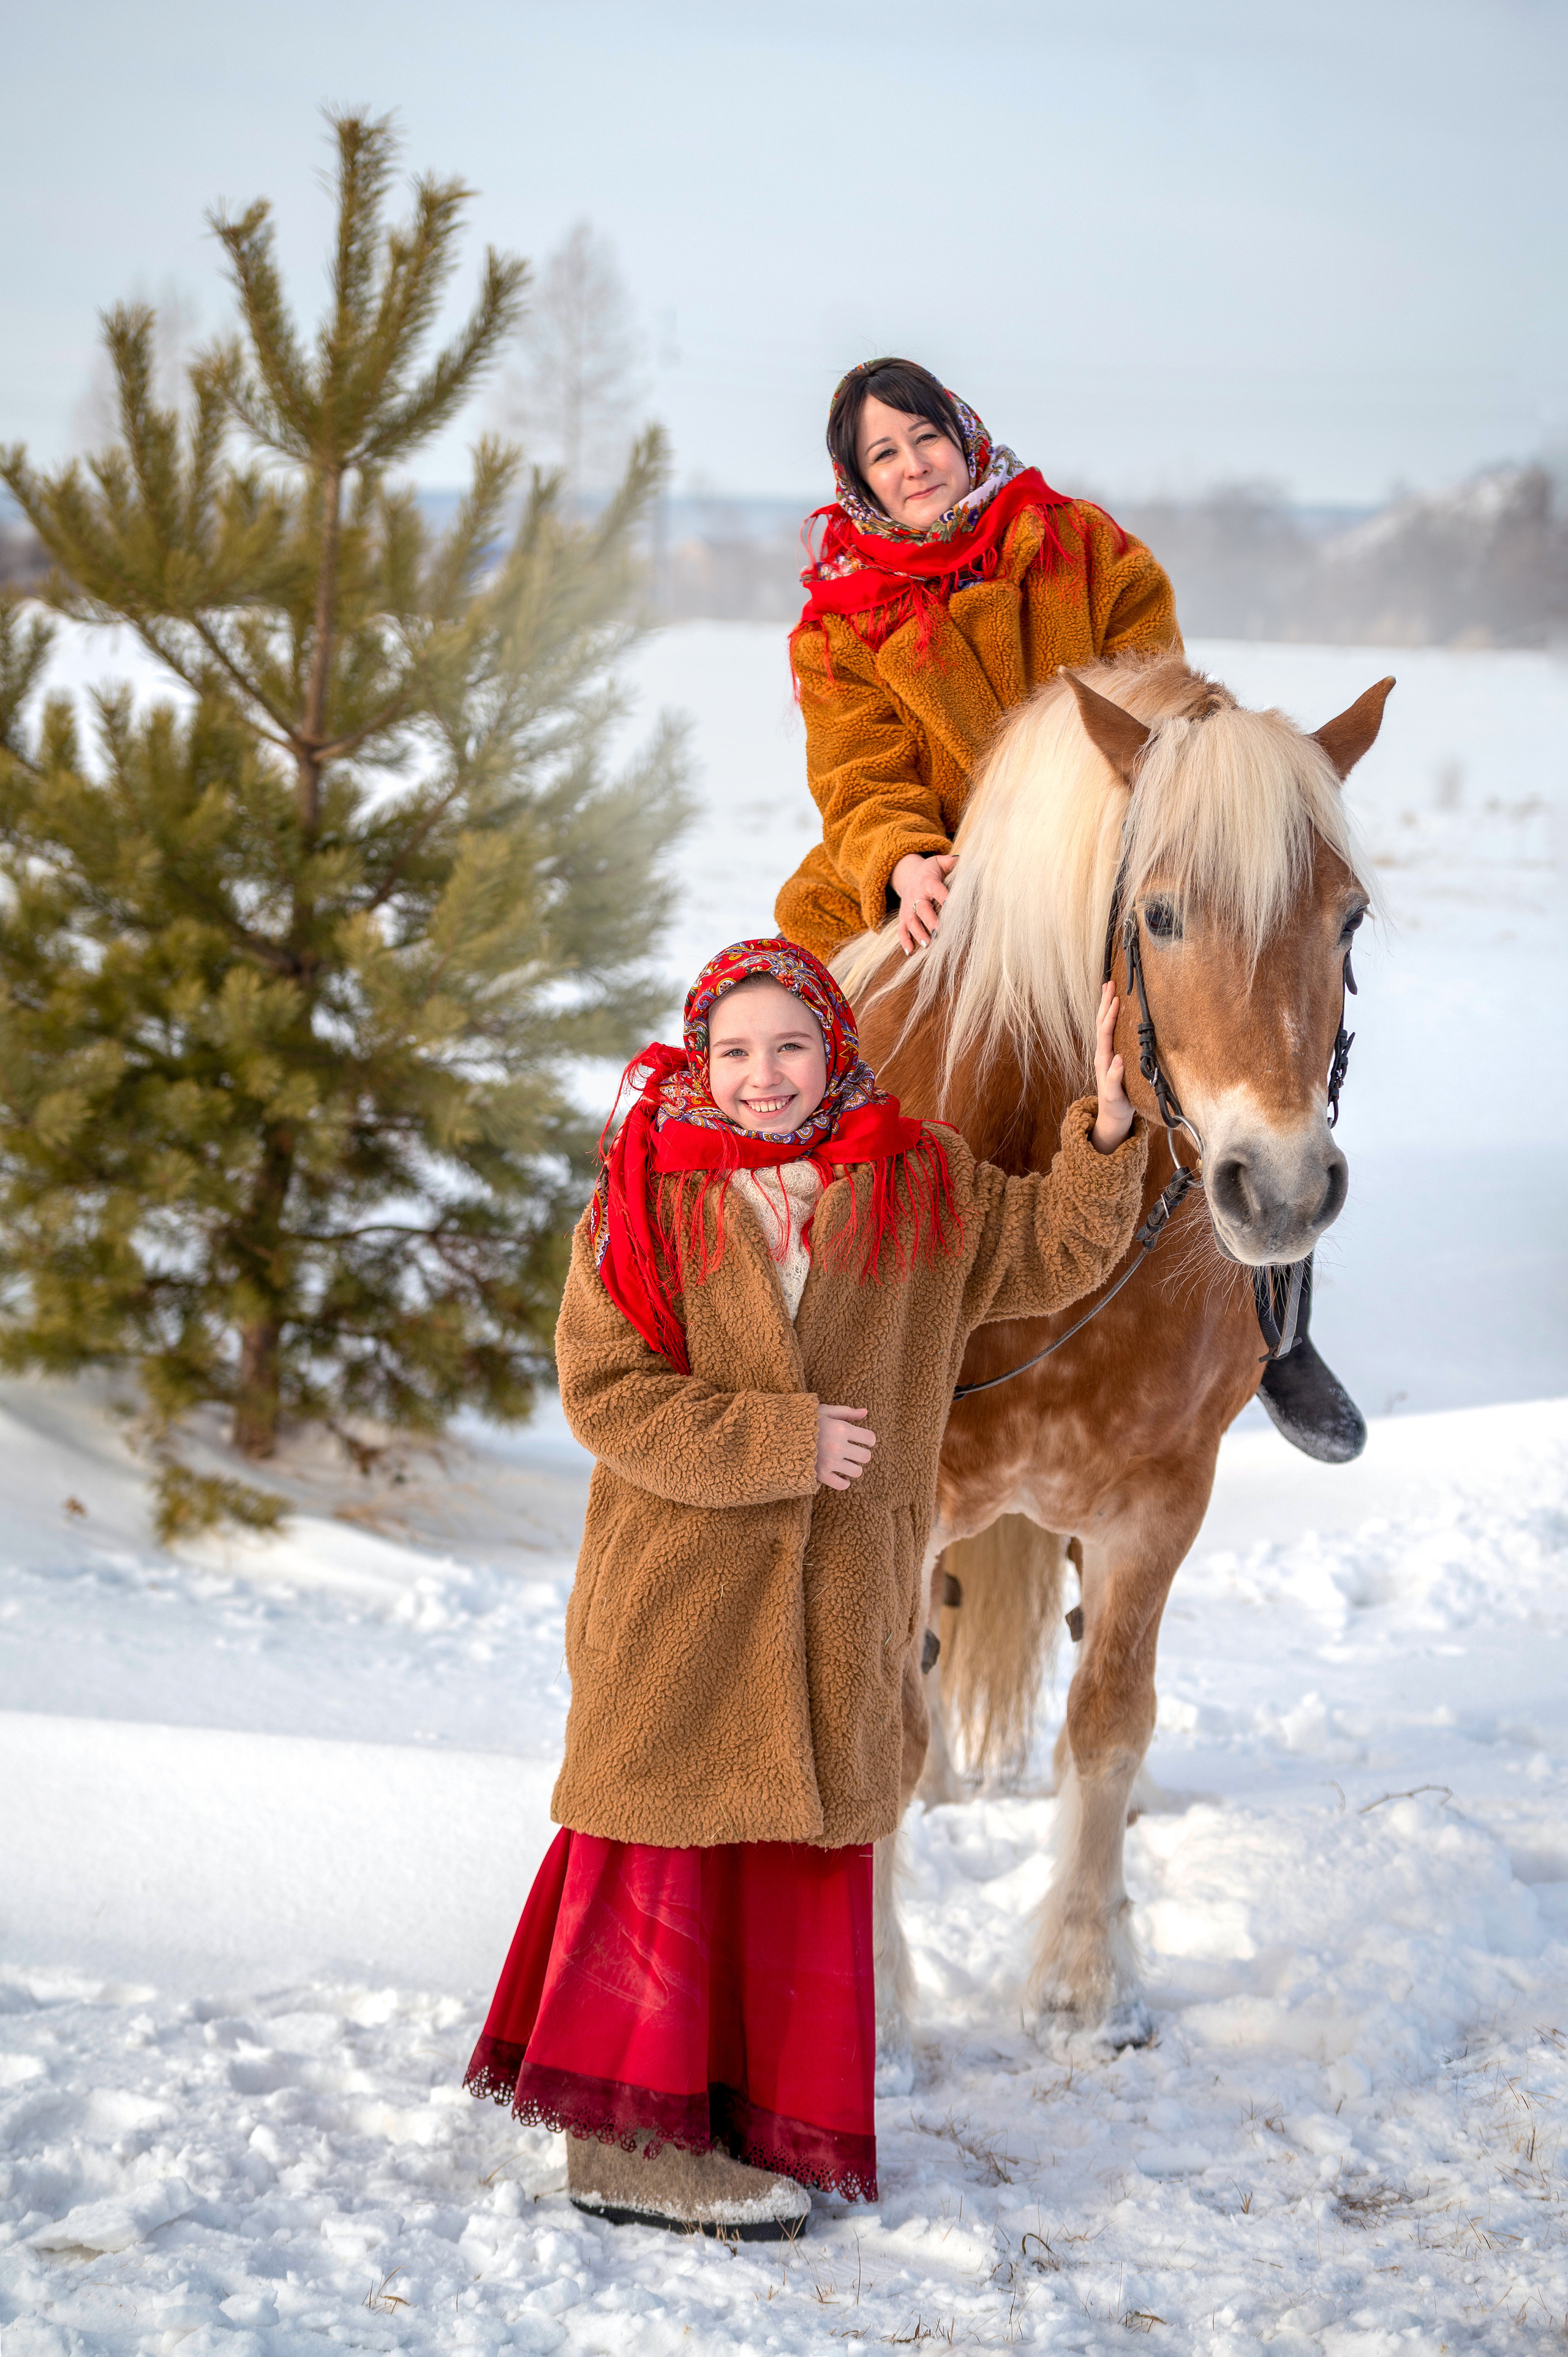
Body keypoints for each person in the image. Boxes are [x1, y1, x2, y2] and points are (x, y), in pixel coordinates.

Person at [465, 936, 1149, 2239]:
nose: (762, 1074)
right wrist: (783, 1443)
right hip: (677, 1598)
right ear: (700, 1059)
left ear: (835, 1047)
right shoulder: (642, 1199)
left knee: (794, 1852)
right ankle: (627, 2146)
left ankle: (751, 2125)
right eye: (734, 1050)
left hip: (839, 1602)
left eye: (789, 1045)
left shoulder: (922, 1181)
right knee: (666, 1839)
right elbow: (606, 1395)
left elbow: (1056, 1250)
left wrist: (1106, 1135)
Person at [776, 357, 1365, 1466]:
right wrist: (901, 858)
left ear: (963, 435)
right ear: (857, 479)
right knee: (776, 1047)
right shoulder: (837, 623)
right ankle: (784, 1322)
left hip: (1100, 856)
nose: (913, 467)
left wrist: (1128, 814)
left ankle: (1278, 1328)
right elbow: (854, 767)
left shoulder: (1082, 545)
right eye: (883, 455)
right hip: (940, 874)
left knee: (1240, 1020)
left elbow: (1161, 692)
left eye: (925, 438)